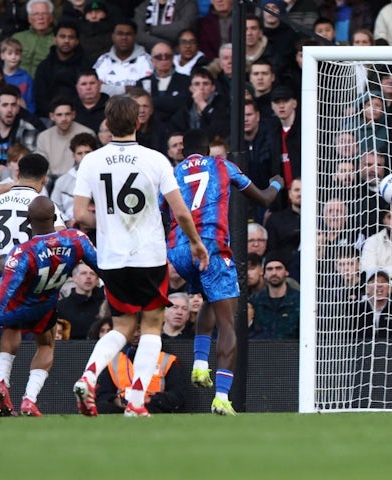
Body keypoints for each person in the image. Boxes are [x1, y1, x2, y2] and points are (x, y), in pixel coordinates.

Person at [72, 95, 209, 418]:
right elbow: (181, 211)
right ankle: (136, 399)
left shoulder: (91, 161)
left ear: (107, 124)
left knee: (120, 326)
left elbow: (80, 214)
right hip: (148, 255)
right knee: (151, 327)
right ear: (138, 122)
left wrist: (108, 222)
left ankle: (89, 374)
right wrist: (195, 243)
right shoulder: (156, 159)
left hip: (112, 258)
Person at [167, 128, 284, 415]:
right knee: (228, 320)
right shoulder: (222, 165)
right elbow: (264, 199)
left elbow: (161, 209)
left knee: (208, 297)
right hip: (211, 246)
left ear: (182, 151)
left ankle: (198, 365)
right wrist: (277, 184)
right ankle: (221, 396)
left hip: (179, 251)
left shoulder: (171, 173)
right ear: (208, 150)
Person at [0, 196, 98, 417]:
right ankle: (29, 400)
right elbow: (101, 266)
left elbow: (1, 298)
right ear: (55, 218)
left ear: (28, 221)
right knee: (46, 345)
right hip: (44, 303)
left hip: (13, 303)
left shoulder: (24, 251)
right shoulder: (76, 239)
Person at [0, 154, 65, 257]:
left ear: (18, 175)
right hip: (31, 266)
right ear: (44, 180)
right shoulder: (44, 204)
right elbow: (60, 237)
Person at [95, 324, 187, 414]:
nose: (135, 334)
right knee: (103, 407)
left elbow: (177, 395)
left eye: (139, 330)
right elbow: (102, 394)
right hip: (121, 409)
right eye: (132, 330)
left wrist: (148, 400)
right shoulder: (114, 360)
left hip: (153, 408)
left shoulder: (167, 360)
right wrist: (116, 401)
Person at [35, 96, 95, 180]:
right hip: (50, 181)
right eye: (59, 115)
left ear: (73, 114)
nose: (64, 119)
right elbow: (41, 166)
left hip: (78, 179)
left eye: (67, 114)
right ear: (52, 116)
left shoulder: (87, 133)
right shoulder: (43, 137)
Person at [93, 20, 153, 97]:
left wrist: (110, 89)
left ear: (135, 37)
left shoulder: (147, 60)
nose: (124, 37)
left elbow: (145, 91)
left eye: (128, 34)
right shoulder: (103, 60)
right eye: (120, 34)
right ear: (113, 36)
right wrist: (126, 89)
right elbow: (96, 89)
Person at [249, 250, 299, 340]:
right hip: (261, 352)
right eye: (269, 269)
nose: (274, 273)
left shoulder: (300, 301)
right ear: (264, 273)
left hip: (291, 352)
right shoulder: (254, 302)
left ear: (286, 272)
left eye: (278, 268)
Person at [50, 132, 97, 227]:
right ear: (74, 156)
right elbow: (54, 207)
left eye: (87, 152)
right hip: (70, 230)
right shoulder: (62, 181)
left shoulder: (102, 177)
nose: (84, 157)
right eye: (80, 153)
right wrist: (67, 222)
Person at [57, 262, 105, 339]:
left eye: (92, 273)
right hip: (68, 349)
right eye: (83, 273)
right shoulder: (61, 307)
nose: (88, 277)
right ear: (74, 278)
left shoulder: (105, 307)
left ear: (97, 279)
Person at [12, 0, 56, 77]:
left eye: (44, 14)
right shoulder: (17, 38)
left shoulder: (57, 41)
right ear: (29, 18)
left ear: (51, 18)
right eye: (36, 14)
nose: (40, 17)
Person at [1, 37, 36, 114]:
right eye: (9, 53)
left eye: (17, 54)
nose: (13, 57)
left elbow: (31, 102)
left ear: (21, 57)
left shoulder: (26, 77)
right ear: (2, 56)